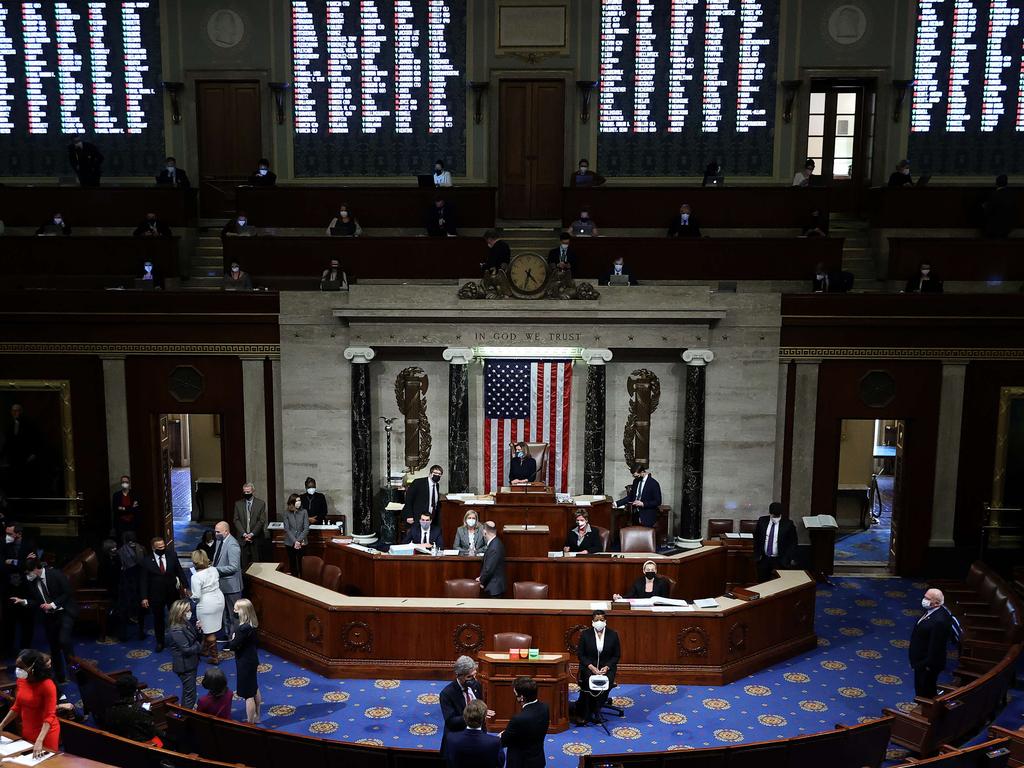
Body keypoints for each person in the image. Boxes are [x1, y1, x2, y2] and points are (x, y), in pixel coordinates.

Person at [14, 559, 77, 683]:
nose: (27, 576)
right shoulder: (32, 582)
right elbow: (37, 602)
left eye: (28, 573)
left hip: (64, 613)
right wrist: (24, 601)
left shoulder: (56, 574)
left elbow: (67, 593)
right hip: (49, 617)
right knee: (54, 648)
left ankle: (74, 672)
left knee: (64, 641)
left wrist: (52, 604)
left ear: (36, 569)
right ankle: (60, 677)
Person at [0, 649, 60, 758]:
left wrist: (40, 740)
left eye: (21, 667)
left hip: (46, 735)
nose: (18, 670)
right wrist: (2, 724)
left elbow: (50, 715)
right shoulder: (21, 681)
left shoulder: (47, 685)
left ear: (32, 667)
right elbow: (17, 706)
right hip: (28, 730)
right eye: (17, 667)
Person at [139, 536, 189, 652]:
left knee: (176, 617)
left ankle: (178, 640)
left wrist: (186, 586)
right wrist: (144, 597)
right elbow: (143, 581)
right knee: (158, 619)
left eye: (163, 546)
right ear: (153, 548)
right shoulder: (146, 561)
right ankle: (160, 642)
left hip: (172, 593)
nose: (162, 548)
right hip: (156, 595)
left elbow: (179, 571)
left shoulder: (172, 555)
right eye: (159, 547)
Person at [439, 655, 491, 759]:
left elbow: (480, 704)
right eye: (469, 677)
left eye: (474, 675)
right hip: (458, 738)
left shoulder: (477, 686)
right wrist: (476, 715)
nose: (473, 680)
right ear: (459, 675)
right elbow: (451, 721)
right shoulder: (447, 694)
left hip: (478, 734)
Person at [574, 610, 620, 726]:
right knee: (589, 681)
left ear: (605, 621)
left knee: (606, 682)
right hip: (589, 666)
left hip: (607, 667)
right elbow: (581, 654)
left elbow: (616, 655)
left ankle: (596, 708)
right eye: (596, 620)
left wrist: (607, 667)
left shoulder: (613, 634)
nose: (599, 622)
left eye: (602, 620)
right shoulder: (585, 634)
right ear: (592, 621)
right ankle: (585, 712)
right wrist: (591, 667)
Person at [910, 588, 952, 698]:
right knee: (921, 689)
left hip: (927, 666)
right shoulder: (933, 611)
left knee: (925, 692)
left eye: (927, 598)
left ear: (936, 603)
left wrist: (922, 665)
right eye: (925, 597)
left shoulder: (940, 621)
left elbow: (936, 648)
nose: (924, 600)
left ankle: (926, 713)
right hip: (921, 662)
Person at [500, 676, 549, 768]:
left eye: (515, 693)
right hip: (538, 759)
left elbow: (504, 741)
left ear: (521, 697)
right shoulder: (545, 708)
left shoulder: (518, 719)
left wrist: (502, 735)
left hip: (520, 762)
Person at [104, 674, 163, 745]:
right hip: (143, 746)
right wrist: (148, 712)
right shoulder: (138, 711)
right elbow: (151, 732)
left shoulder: (109, 709)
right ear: (134, 691)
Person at [228, 598, 261, 724]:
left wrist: (232, 638)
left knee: (248, 694)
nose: (234, 611)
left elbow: (232, 645)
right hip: (252, 659)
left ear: (243, 611)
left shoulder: (242, 629)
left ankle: (250, 722)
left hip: (244, 663)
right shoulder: (252, 624)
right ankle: (257, 715)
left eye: (236, 609)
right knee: (254, 687)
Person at [446, 700, 504, 768]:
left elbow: (450, 762)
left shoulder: (451, 738)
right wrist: (496, 741)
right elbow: (500, 763)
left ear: (464, 717)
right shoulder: (495, 742)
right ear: (484, 718)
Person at [190, 549, 224, 665]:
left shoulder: (196, 577)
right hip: (219, 599)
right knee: (208, 627)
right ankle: (205, 650)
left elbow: (197, 596)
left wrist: (189, 596)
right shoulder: (214, 570)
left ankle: (215, 657)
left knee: (208, 630)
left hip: (206, 603)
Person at [165, 599, 201, 709]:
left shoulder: (184, 623)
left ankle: (186, 714)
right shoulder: (176, 629)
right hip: (185, 666)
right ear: (180, 612)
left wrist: (198, 630)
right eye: (187, 611)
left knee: (189, 692)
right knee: (190, 695)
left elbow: (192, 638)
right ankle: (186, 717)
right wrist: (199, 646)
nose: (190, 613)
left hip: (190, 663)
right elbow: (186, 649)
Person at [753, 502, 798, 582]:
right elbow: (756, 538)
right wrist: (757, 554)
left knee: (780, 584)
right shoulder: (762, 521)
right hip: (764, 558)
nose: (775, 517)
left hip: (780, 559)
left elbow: (793, 542)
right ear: (770, 512)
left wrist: (789, 558)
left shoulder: (788, 524)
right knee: (762, 582)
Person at [213, 521, 243, 637]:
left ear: (226, 531)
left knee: (233, 615)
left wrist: (215, 570)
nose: (216, 534)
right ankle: (228, 635)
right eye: (215, 531)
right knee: (224, 613)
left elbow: (234, 567)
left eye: (218, 532)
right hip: (221, 585)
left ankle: (234, 639)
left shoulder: (233, 545)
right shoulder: (220, 541)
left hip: (231, 587)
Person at [115, 531, 146, 641]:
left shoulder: (120, 552)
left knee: (123, 610)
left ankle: (123, 635)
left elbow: (118, 570)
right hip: (140, 583)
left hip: (126, 583)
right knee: (140, 610)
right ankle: (141, 632)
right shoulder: (142, 548)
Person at [233, 481, 267, 576]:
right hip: (242, 538)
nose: (246, 494)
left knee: (256, 564)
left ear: (253, 491)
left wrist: (252, 534)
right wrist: (244, 534)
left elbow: (261, 521)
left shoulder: (261, 503)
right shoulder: (238, 504)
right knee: (243, 565)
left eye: (248, 492)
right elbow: (236, 520)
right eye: (245, 492)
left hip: (255, 538)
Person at [282, 493, 310, 578]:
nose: (299, 502)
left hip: (302, 542)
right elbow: (287, 529)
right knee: (292, 564)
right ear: (292, 502)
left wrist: (298, 541)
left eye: (299, 500)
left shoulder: (304, 512)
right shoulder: (286, 513)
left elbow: (306, 528)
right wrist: (295, 541)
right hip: (290, 542)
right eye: (297, 500)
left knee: (302, 564)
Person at [476, 522, 506, 598]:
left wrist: (481, 580)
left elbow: (489, 569)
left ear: (484, 532)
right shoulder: (495, 543)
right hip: (494, 587)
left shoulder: (494, 546)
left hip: (494, 588)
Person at [112, 475, 139, 539]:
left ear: (129, 483)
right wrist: (130, 508)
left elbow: (135, 509)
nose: (124, 483)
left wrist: (123, 508)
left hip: (132, 523)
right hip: (121, 523)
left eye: (126, 482)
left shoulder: (134, 494)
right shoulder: (116, 495)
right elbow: (116, 509)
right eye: (123, 482)